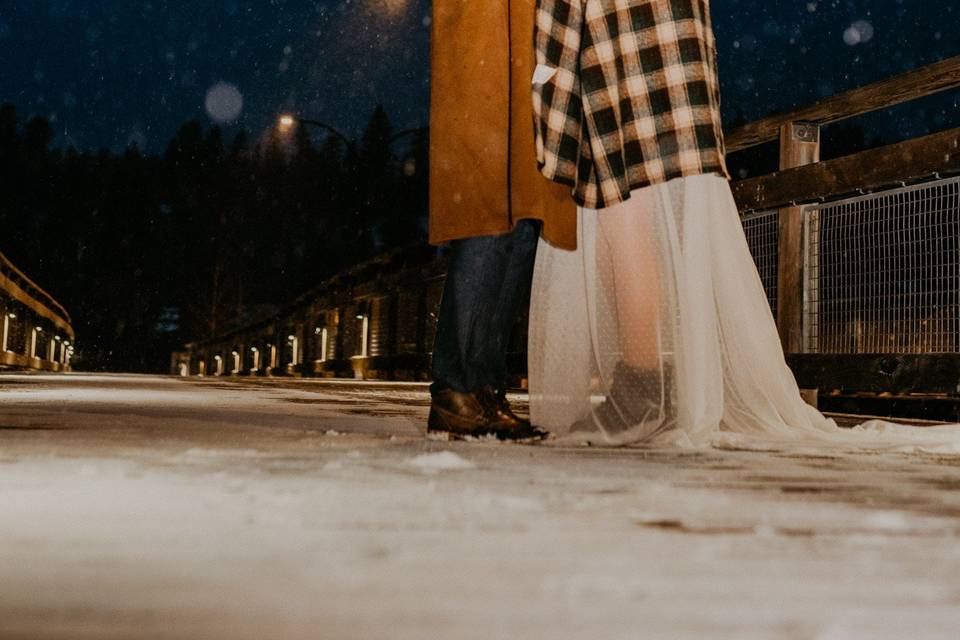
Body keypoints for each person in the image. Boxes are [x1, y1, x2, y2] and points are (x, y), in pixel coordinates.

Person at [526, 0, 960, 453]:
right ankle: (646, 381)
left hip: (626, 28)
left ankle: (645, 385)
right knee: (625, 198)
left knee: (622, 199)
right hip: (649, 34)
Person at [426, 2, 576, 439]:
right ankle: (456, 390)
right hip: (484, 46)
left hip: (526, 55)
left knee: (525, 220)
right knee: (486, 213)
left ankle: (485, 388)